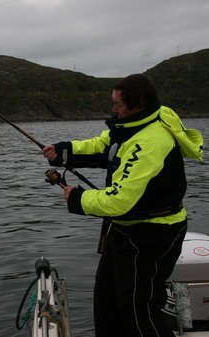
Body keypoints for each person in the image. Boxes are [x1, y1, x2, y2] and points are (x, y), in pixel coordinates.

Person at [42, 74, 203, 337]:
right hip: (125, 230)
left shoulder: (151, 142)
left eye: (118, 104)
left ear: (138, 103)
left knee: (139, 310)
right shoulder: (133, 124)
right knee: (107, 302)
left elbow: (119, 201)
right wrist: (64, 151)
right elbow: (105, 146)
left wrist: (76, 197)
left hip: (152, 235)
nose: (113, 109)